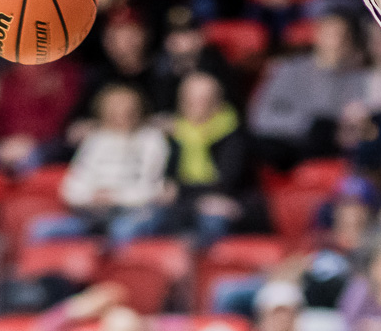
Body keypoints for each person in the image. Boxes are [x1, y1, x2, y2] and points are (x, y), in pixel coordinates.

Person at [42, 84, 170, 246]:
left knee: (122, 229)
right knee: (42, 229)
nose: (123, 115)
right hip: (92, 214)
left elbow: (153, 188)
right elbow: (71, 188)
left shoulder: (152, 140)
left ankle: (118, 270)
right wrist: (91, 197)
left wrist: (114, 198)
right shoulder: (95, 141)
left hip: (132, 213)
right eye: (116, 110)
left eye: (129, 110)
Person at [247, 11, 367, 169]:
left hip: (332, 149)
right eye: (331, 34)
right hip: (285, 145)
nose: (337, 42)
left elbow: (356, 125)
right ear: (318, 35)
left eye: (343, 36)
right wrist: (308, 124)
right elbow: (260, 117)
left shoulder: (359, 76)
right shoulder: (288, 70)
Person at [160, 71, 254, 248]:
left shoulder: (233, 135)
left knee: (212, 220)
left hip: (229, 205)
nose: (194, 104)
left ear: (217, 102)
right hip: (184, 206)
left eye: (203, 99)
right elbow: (166, 185)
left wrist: (181, 192)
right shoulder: (173, 134)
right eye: (189, 99)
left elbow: (225, 184)